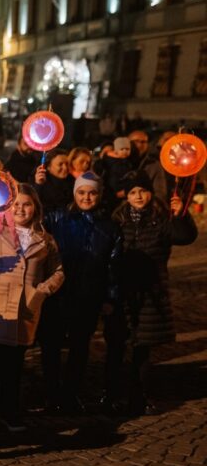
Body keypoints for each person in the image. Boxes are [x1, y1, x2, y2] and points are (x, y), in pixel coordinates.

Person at [0, 184, 64, 431]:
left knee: (14, 365)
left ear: (35, 208)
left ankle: (9, 411)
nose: (21, 209)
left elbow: (58, 271)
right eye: (16, 205)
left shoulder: (44, 239)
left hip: (26, 308)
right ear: (8, 208)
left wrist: (42, 291)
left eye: (27, 204)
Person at [107, 171, 197, 416]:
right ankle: (111, 394)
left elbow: (185, 236)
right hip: (123, 292)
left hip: (150, 293)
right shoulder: (118, 219)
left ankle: (140, 395)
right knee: (116, 345)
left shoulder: (160, 219)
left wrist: (181, 214)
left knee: (142, 349)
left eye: (143, 191)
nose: (138, 196)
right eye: (133, 192)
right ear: (127, 196)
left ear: (150, 193)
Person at [41, 172, 119, 414]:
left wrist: (110, 298)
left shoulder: (109, 227)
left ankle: (70, 394)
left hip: (88, 295)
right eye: (82, 192)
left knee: (79, 347)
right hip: (57, 293)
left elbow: (113, 266)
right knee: (51, 346)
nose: (87, 197)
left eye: (92, 192)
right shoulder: (57, 218)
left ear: (100, 195)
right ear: (75, 193)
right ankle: (50, 394)